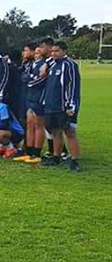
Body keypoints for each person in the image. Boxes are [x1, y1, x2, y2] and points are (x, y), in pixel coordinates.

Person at [41, 41, 82, 172]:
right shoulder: (53, 64)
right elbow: (46, 63)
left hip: (64, 106)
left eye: (56, 51)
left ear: (64, 51)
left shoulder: (69, 65)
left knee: (70, 132)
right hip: (51, 104)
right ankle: (56, 156)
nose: (53, 54)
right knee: (55, 132)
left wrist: (70, 105)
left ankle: (75, 160)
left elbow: (72, 86)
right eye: (52, 51)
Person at [14, 42, 46, 164]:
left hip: (38, 97)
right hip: (29, 97)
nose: (37, 55)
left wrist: (30, 78)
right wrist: (30, 77)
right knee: (29, 124)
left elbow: (39, 79)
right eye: (36, 52)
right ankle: (29, 151)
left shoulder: (44, 64)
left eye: (38, 53)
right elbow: (24, 76)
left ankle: (36, 153)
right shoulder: (31, 64)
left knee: (38, 125)